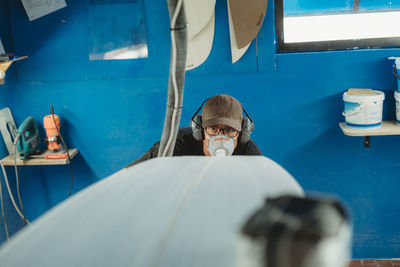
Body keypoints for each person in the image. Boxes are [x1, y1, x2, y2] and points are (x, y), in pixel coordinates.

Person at [126, 94, 262, 167]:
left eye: (229, 130)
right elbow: (131, 172)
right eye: (213, 128)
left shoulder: (247, 151)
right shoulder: (177, 143)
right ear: (200, 130)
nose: (221, 137)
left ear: (243, 132)